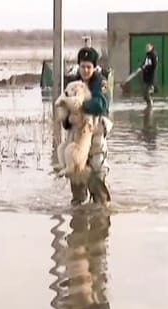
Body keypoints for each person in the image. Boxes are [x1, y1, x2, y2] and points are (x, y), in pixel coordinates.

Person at [63, 46, 112, 207]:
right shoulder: (72, 83)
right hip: (76, 133)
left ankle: (101, 213)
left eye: (88, 67)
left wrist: (80, 106)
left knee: (97, 172)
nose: (85, 70)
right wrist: (67, 120)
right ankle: (78, 214)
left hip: (95, 132)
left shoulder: (101, 82)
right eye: (82, 66)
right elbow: (64, 108)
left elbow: (101, 104)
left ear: (94, 67)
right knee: (76, 172)